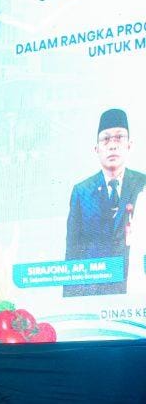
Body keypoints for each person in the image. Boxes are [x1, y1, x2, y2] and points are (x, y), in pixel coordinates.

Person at [64, 108, 146, 296]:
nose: (112, 145)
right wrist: (71, 301)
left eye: (119, 138)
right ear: (96, 149)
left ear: (130, 145)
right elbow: (73, 253)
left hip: (137, 293)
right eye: (106, 139)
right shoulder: (82, 191)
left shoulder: (143, 184)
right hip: (95, 294)